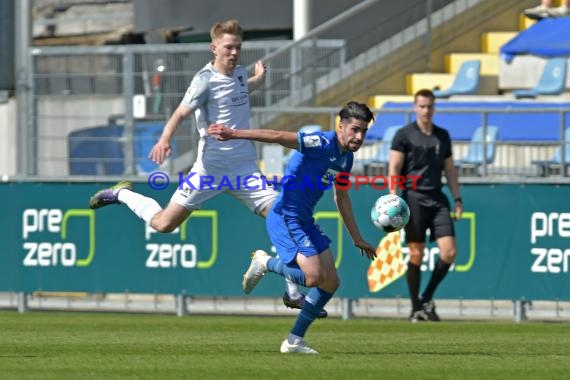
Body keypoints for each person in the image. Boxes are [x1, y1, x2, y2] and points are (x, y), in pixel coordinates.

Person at [88, 19, 326, 318]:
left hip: (244, 171)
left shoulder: (239, 73)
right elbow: (180, 112)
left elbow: (239, 91)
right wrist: (164, 140)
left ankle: (292, 292)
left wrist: (258, 80)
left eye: (238, 47)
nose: (234, 52)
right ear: (214, 48)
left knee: (285, 216)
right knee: (163, 225)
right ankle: (122, 195)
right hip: (209, 171)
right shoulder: (203, 80)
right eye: (228, 47)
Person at [207, 101, 377, 354]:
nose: (359, 136)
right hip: (286, 215)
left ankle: (294, 341)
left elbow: (341, 198)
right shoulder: (320, 143)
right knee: (313, 277)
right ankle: (265, 263)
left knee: (331, 282)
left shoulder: (346, 158)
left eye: (363, 131)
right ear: (340, 127)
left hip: (304, 219)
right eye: (354, 129)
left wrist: (357, 237)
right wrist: (234, 134)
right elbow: (277, 136)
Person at [388, 88, 463, 323]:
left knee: (449, 252)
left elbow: (449, 169)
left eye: (430, 106)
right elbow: (394, 169)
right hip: (413, 198)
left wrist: (457, 198)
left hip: (437, 198)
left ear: (435, 107)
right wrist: (393, 197)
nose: (426, 110)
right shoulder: (403, 134)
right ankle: (415, 308)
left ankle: (426, 298)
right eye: (421, 106)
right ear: (414, 107)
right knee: (417, 254)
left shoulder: (442, 135)